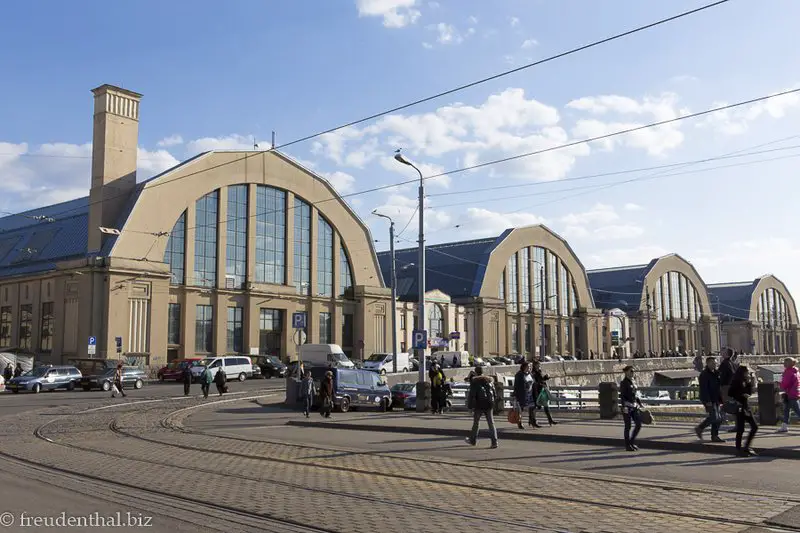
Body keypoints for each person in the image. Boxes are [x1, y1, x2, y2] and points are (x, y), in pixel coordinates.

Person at [464, 365, 498, 449]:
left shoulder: (474, 381)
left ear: (475, 372)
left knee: (476, 423)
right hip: (489, 404)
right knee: (491, 423)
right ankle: (494, 442)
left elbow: (472, 395)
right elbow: (494, 393)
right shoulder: (489, 380)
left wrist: (470, 407)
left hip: (479, 404)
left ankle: (473, 440)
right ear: (483, 372)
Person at [728, 364, 758, 456]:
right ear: (743, 372)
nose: (748, 373)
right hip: (739, 407)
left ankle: (746, 446)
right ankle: (738, 449)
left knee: (754, 427)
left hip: (746, 407)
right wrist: (741, 395)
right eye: (747, 372)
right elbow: (730, 393)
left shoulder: (746, 381)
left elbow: (749, 392)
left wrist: (750, 381)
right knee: (740, 429)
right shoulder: (736, 381)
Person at [695, 356, 725, 442]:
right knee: (714, 417)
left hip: (716, 398)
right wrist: (707, 401)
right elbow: (704, 389)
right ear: (707, 363)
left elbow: (719, 386)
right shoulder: (704, 374)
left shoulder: (716, 373)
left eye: (715, 363)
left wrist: (721, 398)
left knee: (719, 418)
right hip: (708, 398)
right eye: (712, 363)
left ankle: (714, 436)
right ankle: (700, 428)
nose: (714, 365)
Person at [620, 365, 643, 451]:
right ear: (626, 372)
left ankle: (632, 442)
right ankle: (627, 445)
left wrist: (640, 403)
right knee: (628, 426)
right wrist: (624, 406)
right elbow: (622, 396)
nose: (632, 373)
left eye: (633, 371)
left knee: (638, 424)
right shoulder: (624, 383)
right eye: (631, 371)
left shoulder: (633, 382)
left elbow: (636, 395)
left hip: (634, 406)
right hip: (627, 407)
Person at [531, 360, 557, 427]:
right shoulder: (533, 373)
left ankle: (550, 420)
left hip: (542, 390)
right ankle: (532, 420)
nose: (539, 366)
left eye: (539, 365)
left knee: (545, 405)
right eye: (538, 365)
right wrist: (544, 379)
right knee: (536, 407)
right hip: (537, 391)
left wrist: (545, 378)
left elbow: (541, 380)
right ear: (535, 365)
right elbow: (536, 382)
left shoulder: (539, 371)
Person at [778, 357, 800, 433]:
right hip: (794, 393)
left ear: (790, 364)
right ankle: (784, 426)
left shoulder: (788, 372)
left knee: (797, 411)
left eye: (785, 362)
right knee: (786, 410)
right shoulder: (796, 371)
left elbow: (785, 383)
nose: (784, 364)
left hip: (791, 394)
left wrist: (779, 384)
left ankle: (784, 426)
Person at [512, 361, 533, 430]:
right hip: (521, 394)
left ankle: (531, 420)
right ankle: (519, 423)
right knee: (520, 409)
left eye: (530, 367)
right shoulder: (519, 375)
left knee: (531, 407)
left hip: (529, 394)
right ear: (524, 367)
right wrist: (515, 395)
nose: (530, 368)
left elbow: (531, 382)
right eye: (528, 367)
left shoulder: (529, 374)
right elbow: (516, 385)